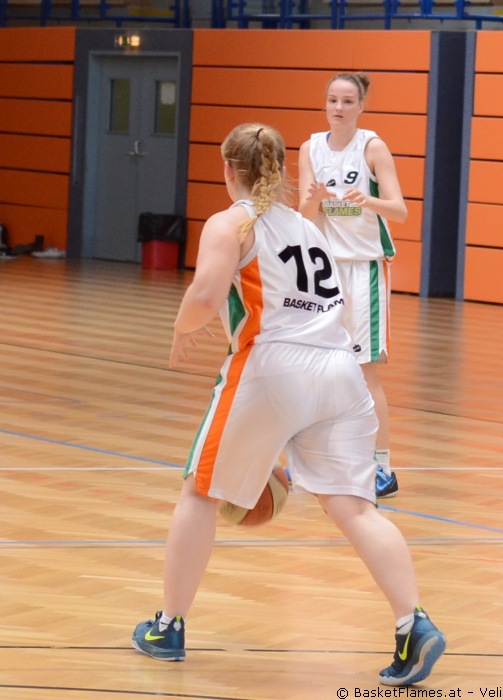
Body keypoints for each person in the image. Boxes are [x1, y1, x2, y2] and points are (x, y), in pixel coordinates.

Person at [131, 122, 445, 686]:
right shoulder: (307, 226)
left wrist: (180, 330)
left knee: (200, 492)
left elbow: (205, 294)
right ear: (278, 168)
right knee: (357, 510)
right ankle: (412, 623)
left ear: (229, 170)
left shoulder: (231, 222)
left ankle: (167, 626)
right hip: (341, 373)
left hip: (274, 367)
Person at [298, 71, 407, 499]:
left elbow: (399, 211)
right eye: (332, 100)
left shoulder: (372, 147)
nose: (338, 108)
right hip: (324, 271)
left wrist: (368, 200)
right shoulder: (310, 148)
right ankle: (320, 461)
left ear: (361, 106)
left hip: (364, 270)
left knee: (364, 372)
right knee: (317, 367)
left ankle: (382, 468)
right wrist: (314, 199)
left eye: (347, 101)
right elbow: (305, 218)